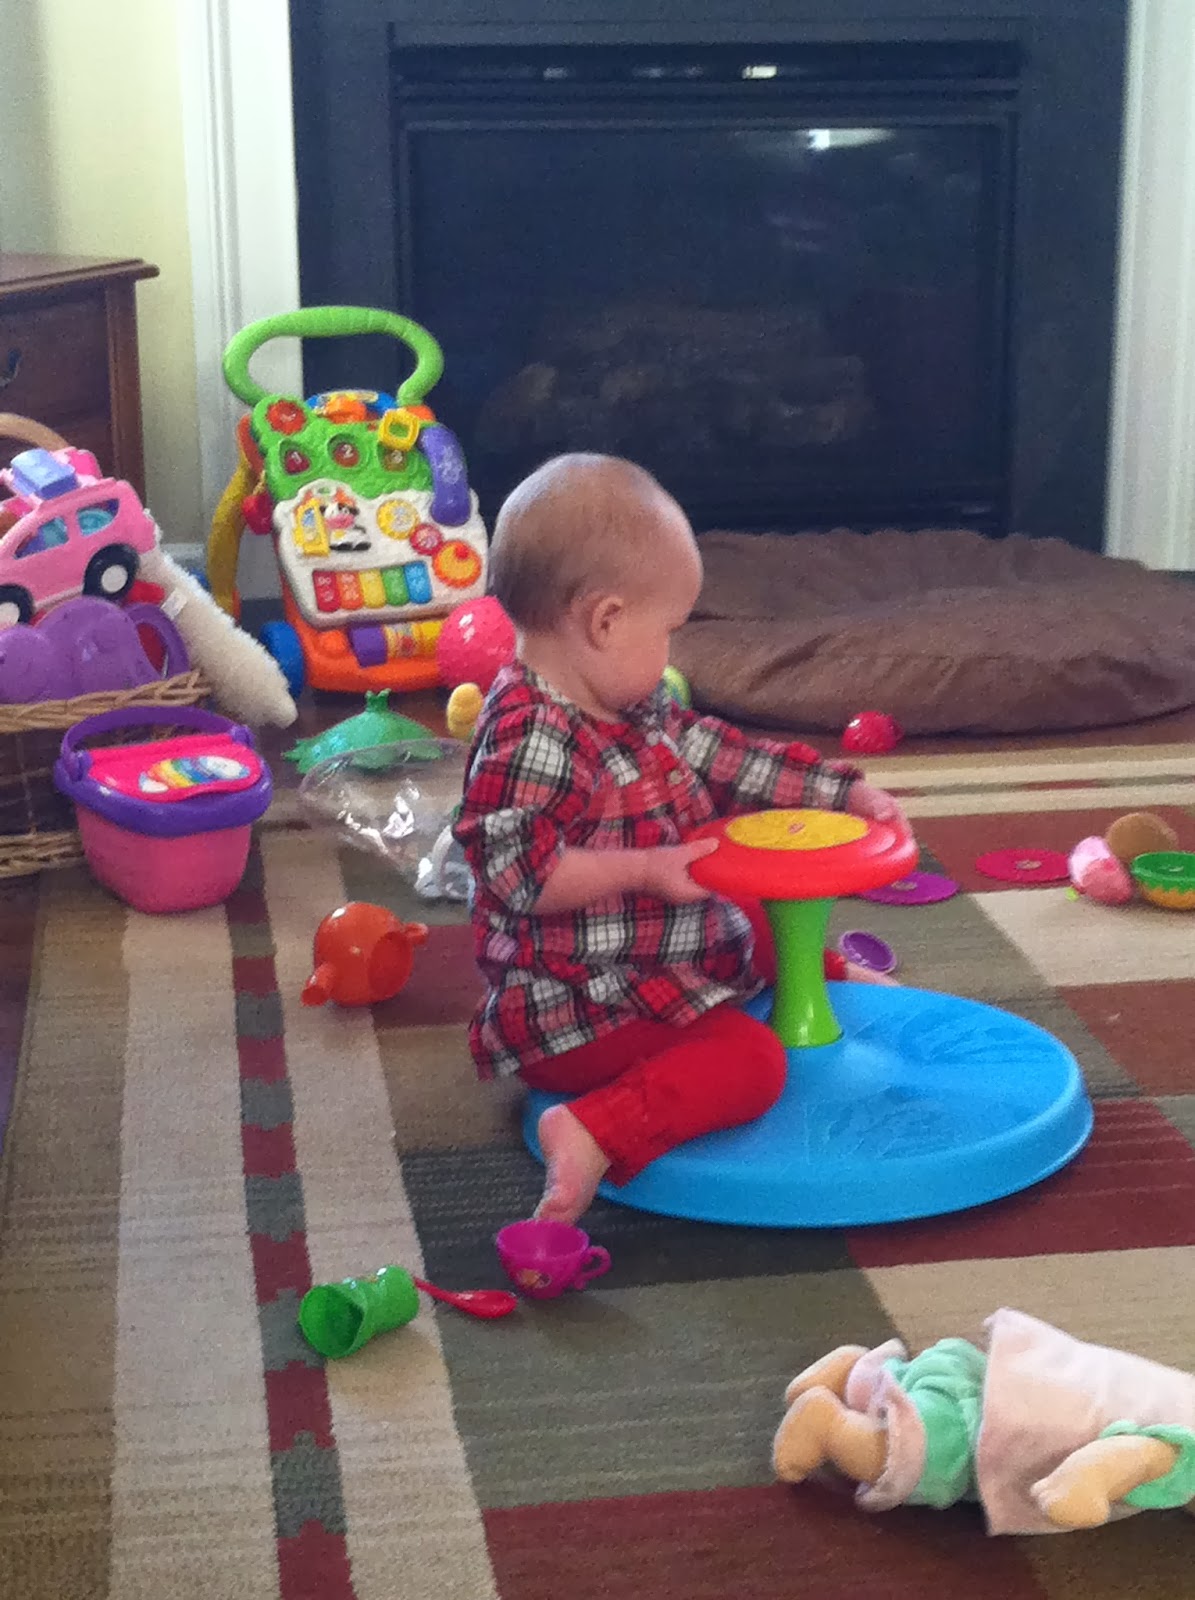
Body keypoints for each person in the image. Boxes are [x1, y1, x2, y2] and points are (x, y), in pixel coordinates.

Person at [453, 454, 907, 1225]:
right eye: (667, 630)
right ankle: (593, 1130)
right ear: (604, 621)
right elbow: (516, 877)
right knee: (750, 1063)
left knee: (750, 898)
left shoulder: (627, 704)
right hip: (579, 1008)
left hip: (653, 951)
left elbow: (726, 758)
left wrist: (840, 791)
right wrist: (643, 870)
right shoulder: (532, 736)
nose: (672, 651)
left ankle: (818, 975)